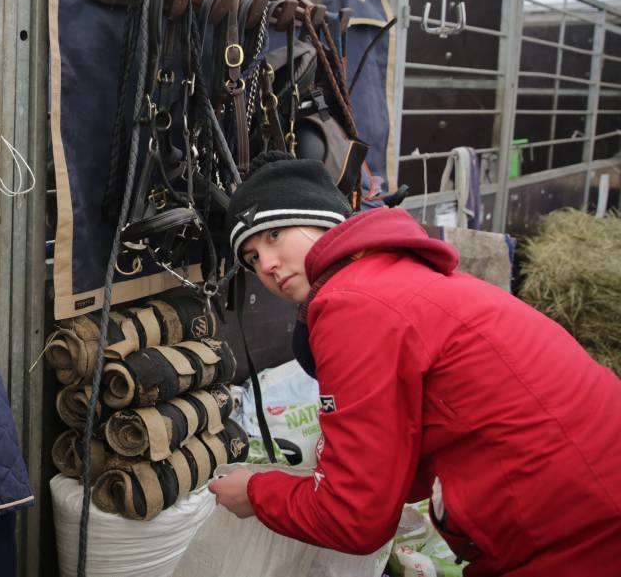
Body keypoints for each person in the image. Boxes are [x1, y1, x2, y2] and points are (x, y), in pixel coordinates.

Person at [207, 151, 621, 576]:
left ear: (322, 221)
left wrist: (256, 491)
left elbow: (354, 518)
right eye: (252, 258)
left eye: (274, 234)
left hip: (579, 531)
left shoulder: (351, 305)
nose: (268, 266)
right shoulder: (392, 276)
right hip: (588, 492)